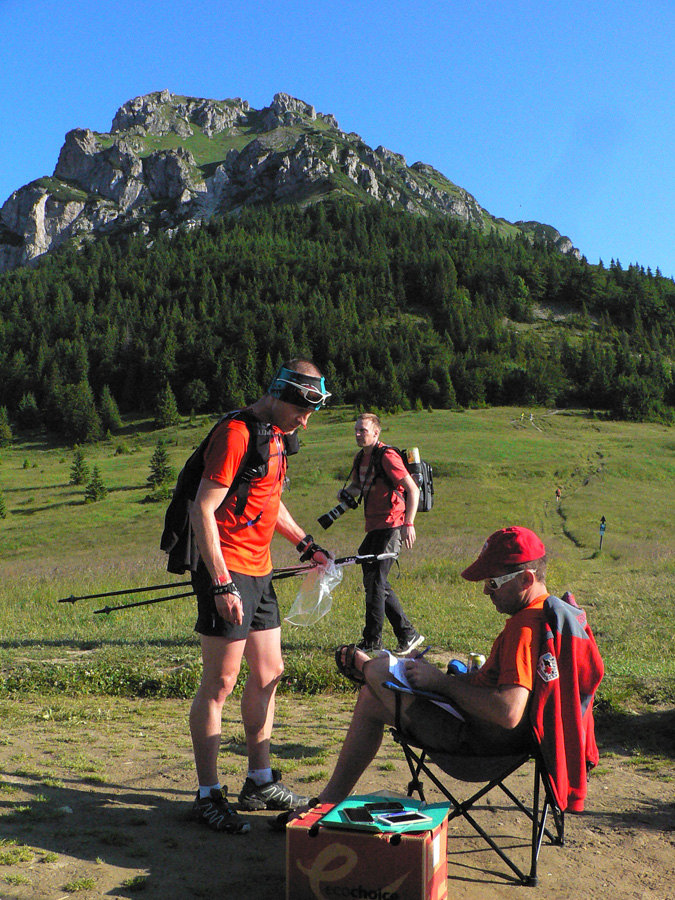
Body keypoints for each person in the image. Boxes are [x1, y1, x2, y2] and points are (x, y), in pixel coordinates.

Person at [282, 526, 550, 814]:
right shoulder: (547, 614)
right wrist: (452, 679)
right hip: (500, 740)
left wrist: (442, 684)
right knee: (371, 697)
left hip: (479, 751)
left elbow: (508, 712)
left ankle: (363, 666)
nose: (486, 590)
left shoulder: (524, 629)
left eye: (493, 583)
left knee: (380, 672)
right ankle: (328, 802)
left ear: (526, 579)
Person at [188, 360, 332, 833]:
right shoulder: (236, 434)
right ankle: (208, 794)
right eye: (301, 412)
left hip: (261, 569)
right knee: (220, 682)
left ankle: (260, 780)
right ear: (278, 395)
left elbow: (269, 497)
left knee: (270, 672)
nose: (304, 423)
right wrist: (221, 582)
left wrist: (305, 544)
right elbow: (202, 509)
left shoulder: (276, 436)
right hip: (227, 568)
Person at [339, 413, 424, 655]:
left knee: (376, 582)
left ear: (376, 433)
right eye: (356, 430)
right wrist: (345, 493)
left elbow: (412, 490)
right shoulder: (360, 458)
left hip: (392, 524)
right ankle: (407, 634)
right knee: (375, 581)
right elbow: (358, 486)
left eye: (362, 431)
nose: (358, 434)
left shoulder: (387, 456)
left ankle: (372, 641)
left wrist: (409, 524)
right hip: (374, 526)